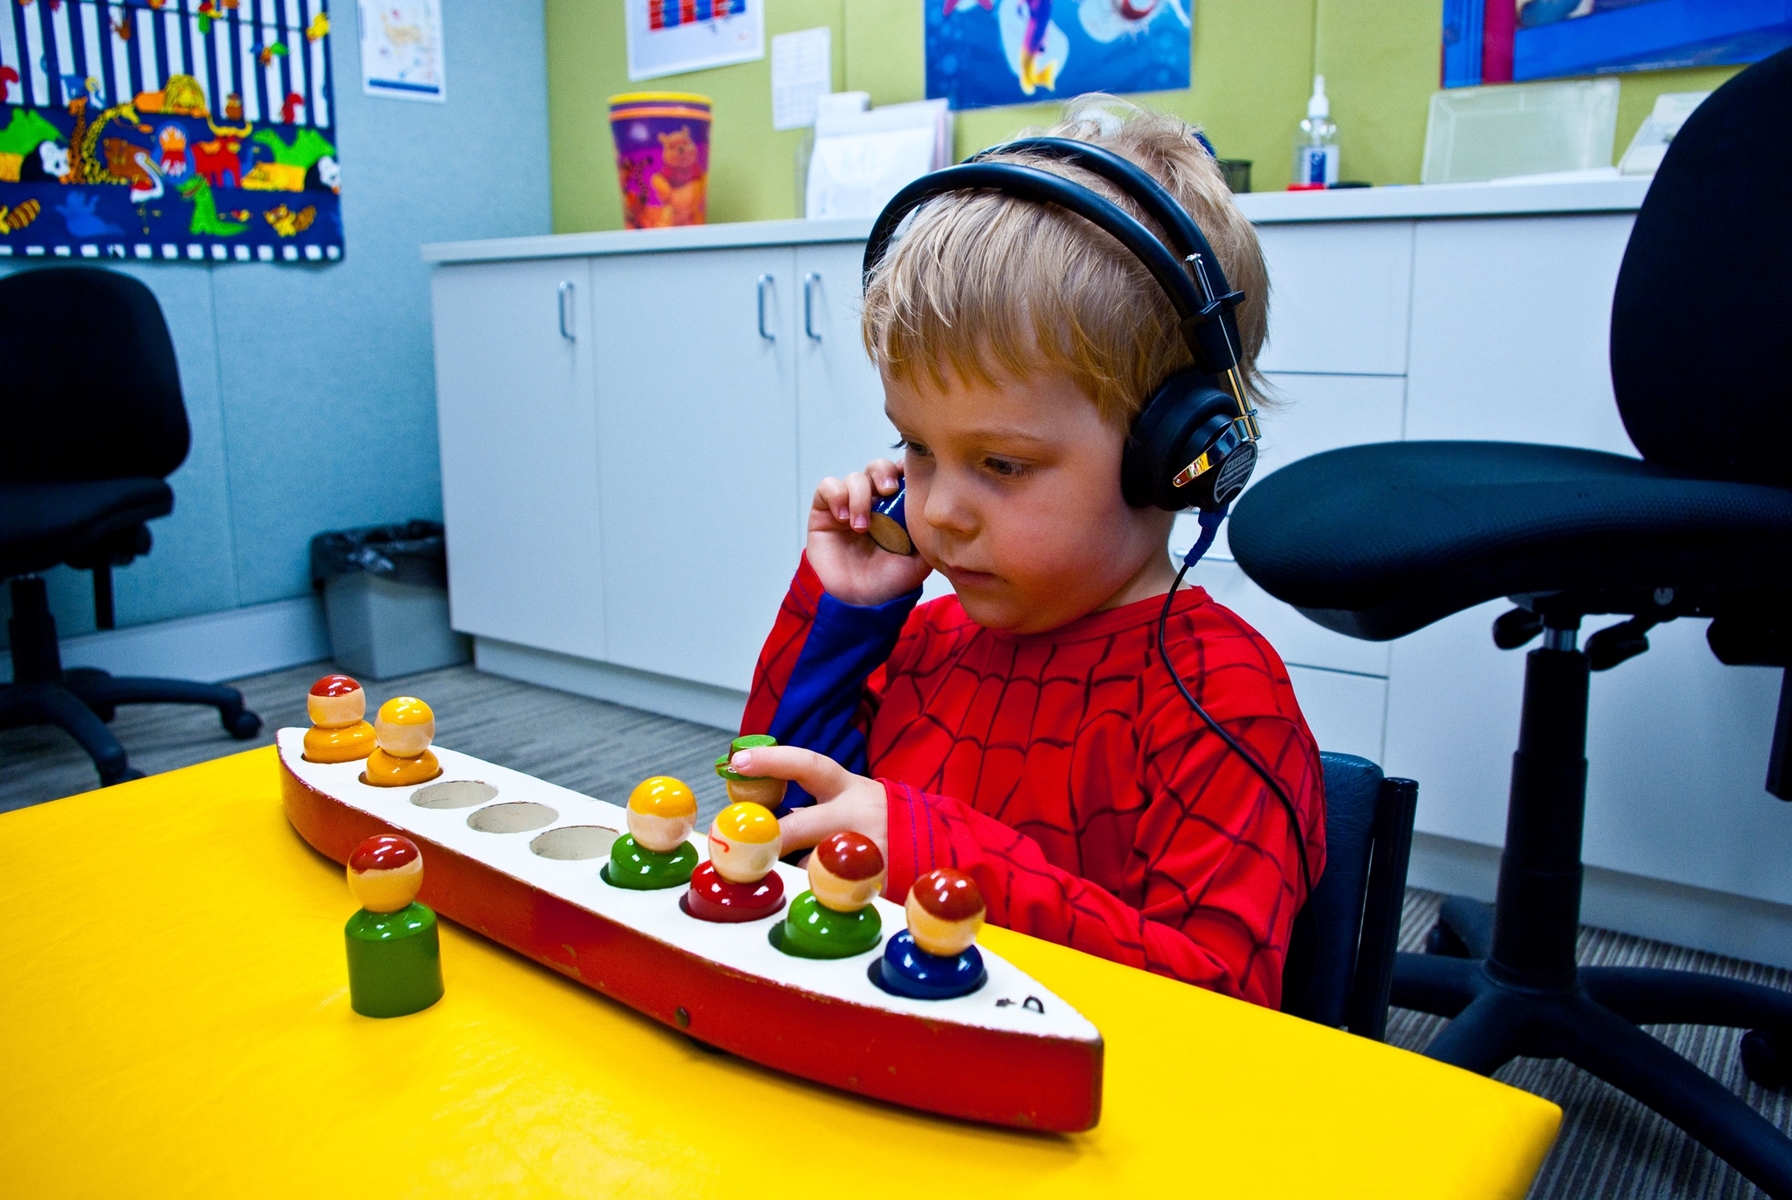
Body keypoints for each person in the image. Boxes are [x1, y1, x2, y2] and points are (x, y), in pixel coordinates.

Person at [727, 98, 1325, 1009]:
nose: (935, 510)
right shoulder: (926, 640)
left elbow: (1225, 1006)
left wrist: (942, 856)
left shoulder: (1223, 703)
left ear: (1174, 454)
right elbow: (779, 812)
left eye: (1001, 463)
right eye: (918, 449)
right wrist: (845, 616)